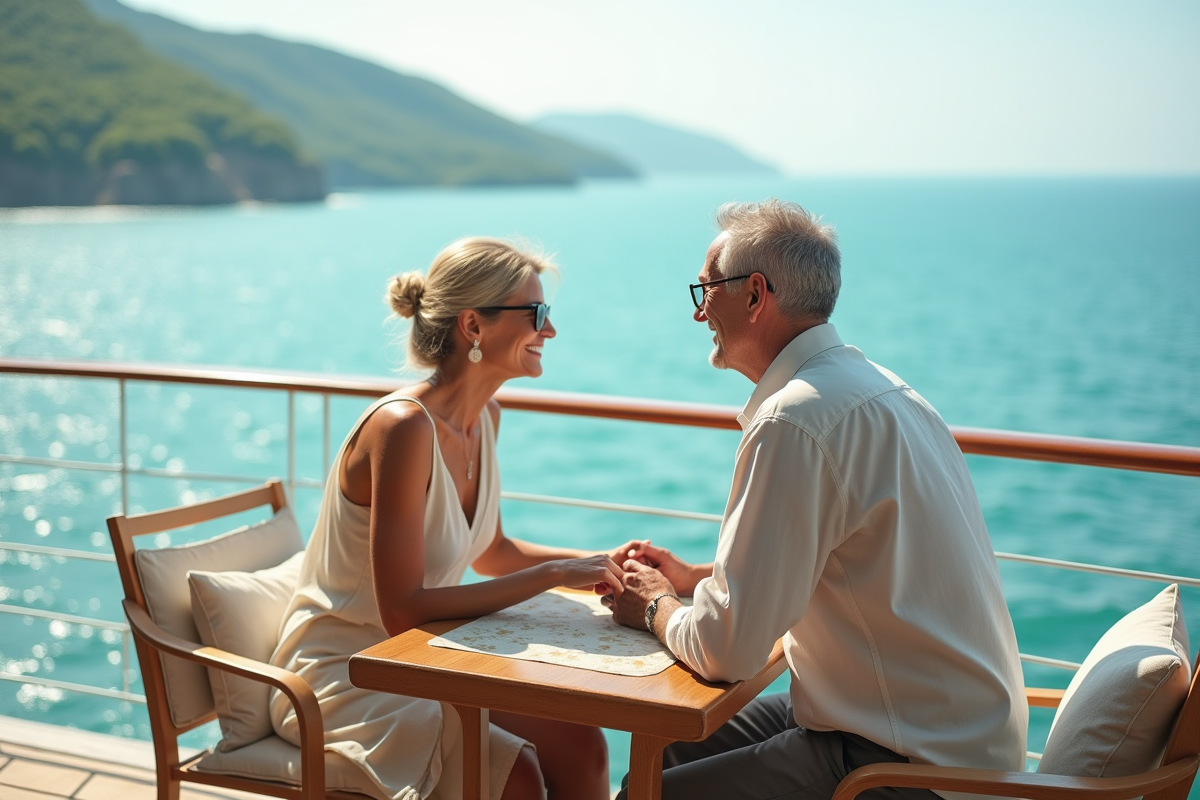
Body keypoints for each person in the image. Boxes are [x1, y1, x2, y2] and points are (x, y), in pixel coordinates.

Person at [609, 200, 1028, 800]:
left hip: (903, 763)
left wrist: (653, 606)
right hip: (957, 737)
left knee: (649, 791)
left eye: (706, 290)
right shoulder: (888, 391)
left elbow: (726, 650)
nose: (701, 312)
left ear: (755, 295)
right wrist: (696, 576)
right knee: (668, 752)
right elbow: (856, 558)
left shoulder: (793, 419)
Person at [270, 237, 635, 800]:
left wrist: (602, 564)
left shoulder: (485, 415)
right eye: (537, 314)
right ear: (473, 326)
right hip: (350, 675)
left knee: (583, 746)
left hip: (424, 660)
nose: (551, 331)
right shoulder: (403, 427)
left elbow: (489, 551)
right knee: (515, 778)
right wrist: (550, 576)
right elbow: (401, 610)